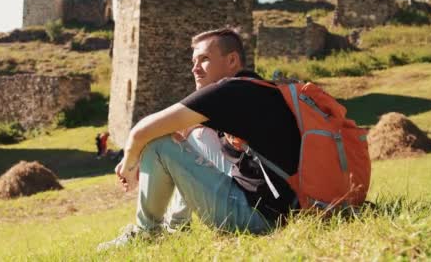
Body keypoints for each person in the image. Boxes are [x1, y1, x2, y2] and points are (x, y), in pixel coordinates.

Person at [98, 28, 301, 250]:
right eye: (193, 61)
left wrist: (128, 165)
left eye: (204, 59)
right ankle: (176, 226)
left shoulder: (226, 91)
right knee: (195, 134)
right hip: (285, 209)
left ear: (232, 60)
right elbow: (188, 129)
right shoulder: (257, 87)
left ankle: (147, 232)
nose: (195, 68)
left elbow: (140, 132)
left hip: (256, 218)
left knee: (158, 145)